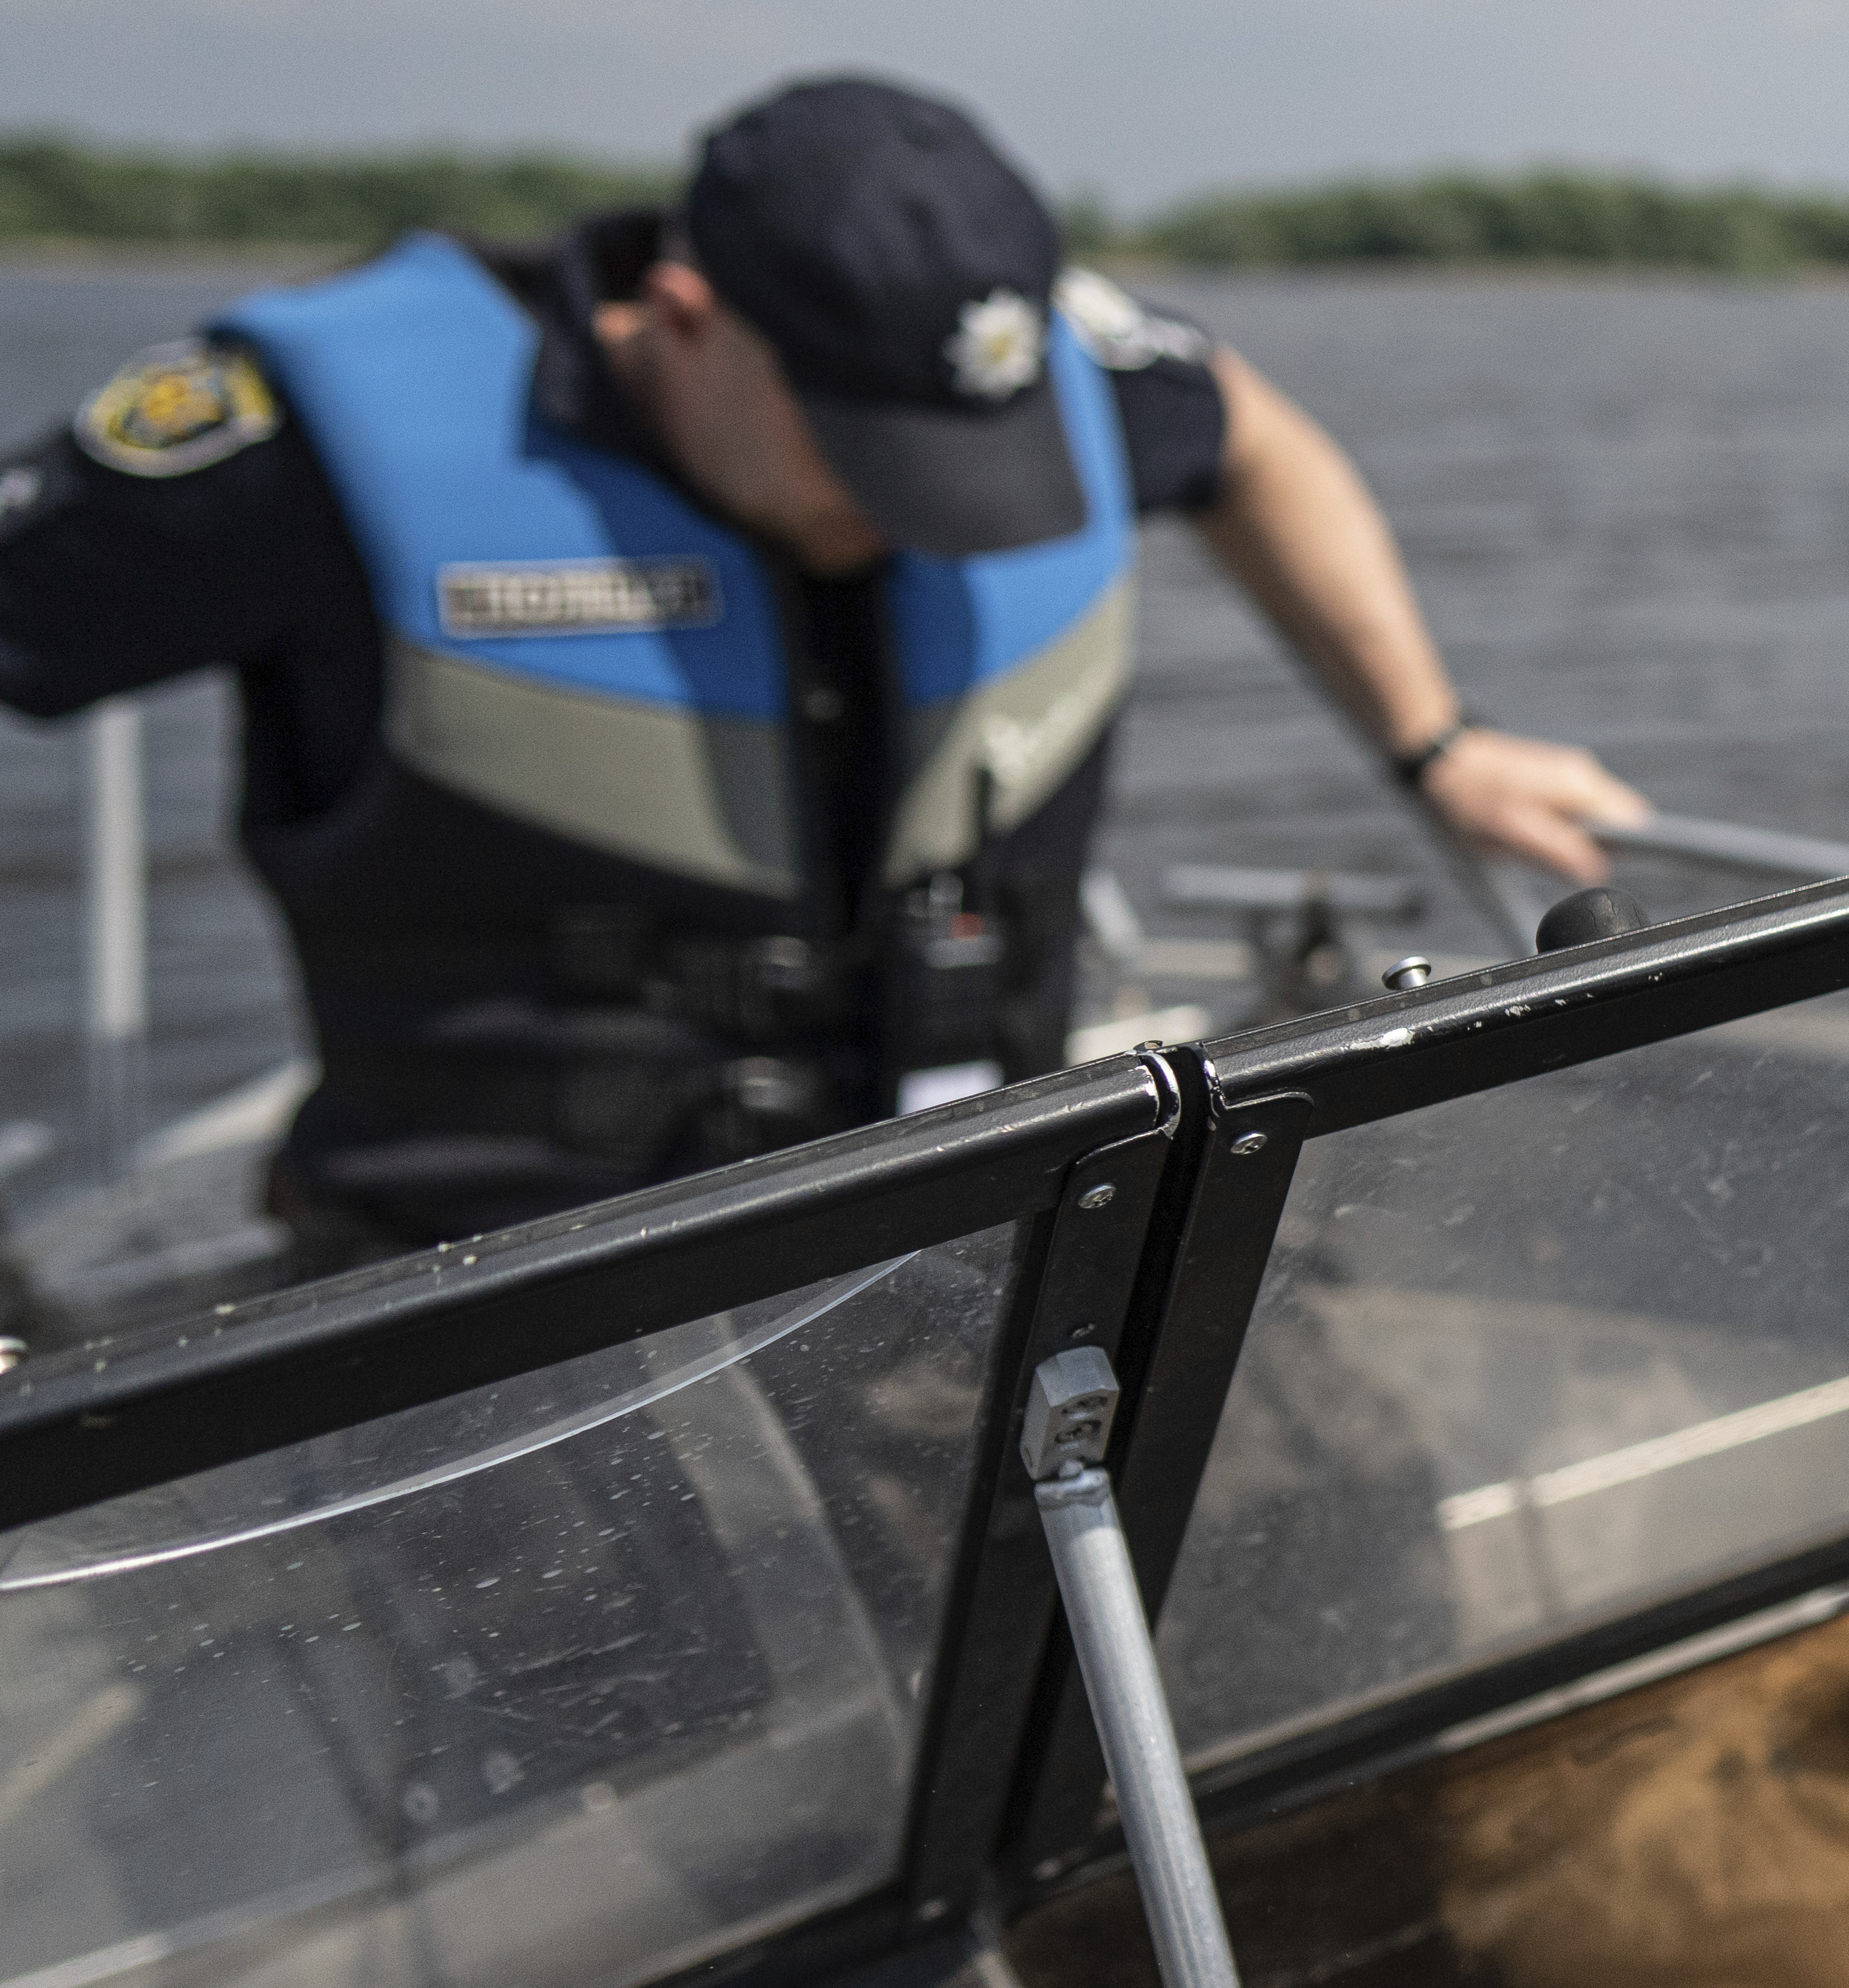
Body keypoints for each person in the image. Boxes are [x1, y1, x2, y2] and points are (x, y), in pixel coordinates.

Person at [0, 75, 1640, 1267]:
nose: (925, 512)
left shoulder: (1043, 368)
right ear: (687, 317)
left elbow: (1252, 436)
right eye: (868, 455)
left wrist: (1438, 744)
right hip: (508, 1313)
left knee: (1315, 1558)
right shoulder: (304, 448)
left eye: (965, 457)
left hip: (985, 1215)